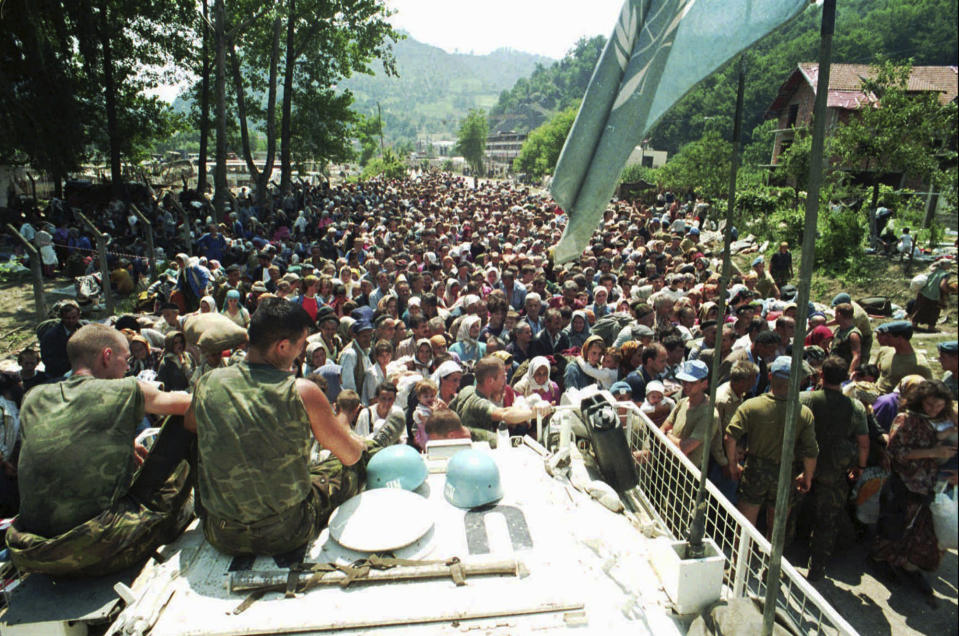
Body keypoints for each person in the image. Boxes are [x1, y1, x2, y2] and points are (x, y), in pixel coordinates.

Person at [189, 298, 398, 557]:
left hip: (220, 533)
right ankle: (379, 442)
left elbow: (190, 425)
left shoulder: (208, 382)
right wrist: (359, 445)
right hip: (286, 532)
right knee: (347, 465)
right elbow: (349, 455)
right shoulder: (301, 391)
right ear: (283, 346)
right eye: (300, 347)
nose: (301, 354)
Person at [6, 324, 194, 576]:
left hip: (33, 551)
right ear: (106, 356)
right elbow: (194, 403)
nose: (127, 367)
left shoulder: (34, 397)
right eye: (125, 359)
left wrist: (124, 443)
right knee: (186, 423)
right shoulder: (126, 389)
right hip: (93, 549)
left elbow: (63, 439)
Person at [871, 380, 957, 596]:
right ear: (920, 401)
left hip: (929, 485)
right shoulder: (906, 419)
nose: (933, 409)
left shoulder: (940, 421)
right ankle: (880, 562)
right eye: (929, 405)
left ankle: (906, 565)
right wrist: (933, 453)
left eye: (938, 406)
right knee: (893, 526)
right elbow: (895, 452)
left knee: (918, 529)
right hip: (904, 483)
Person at [724, 356, 819, 537]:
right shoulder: (803, 413)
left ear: (770, 376)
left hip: (755, 470)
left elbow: (730, 436)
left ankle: (739, 561)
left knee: (745, 525)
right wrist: (807, 476)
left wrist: (732, 464)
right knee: (777, 528)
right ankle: (769, 563)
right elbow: (811, 451)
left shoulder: (751, 406)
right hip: (785, 473)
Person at [799, 356, 870, 581]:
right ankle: (817, 567)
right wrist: (860, 467)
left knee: (788, 514)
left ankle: (776, 559)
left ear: (821, 375)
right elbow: (863, 442)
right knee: (827, 520)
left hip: (801, 466)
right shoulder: (855, 407)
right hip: (834, 469)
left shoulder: (805, 399)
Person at [449, 356, 550, 438]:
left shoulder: (467, 390)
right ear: (490, 381)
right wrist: (535, 413)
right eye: (502, 377)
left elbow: (448, 410)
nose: (505, 381)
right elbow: (504, 414)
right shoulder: (479, 403)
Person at [661, 360, 723, 471]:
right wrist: (667, 435)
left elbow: (684, 447)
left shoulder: (710, 415)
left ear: (704, 383)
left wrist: (668, 435)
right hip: (668, 467)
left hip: (688, 474)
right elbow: (661, 431)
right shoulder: (682, 402)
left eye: (692, 382)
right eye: (684, 381)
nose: (686, 386)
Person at [873, 321, 932, 393]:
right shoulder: (885, 351)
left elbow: (929, 389)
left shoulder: (919, 365)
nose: (885, 339)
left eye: (888, 336)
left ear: (900, 338)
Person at [39, 301, 82, 379]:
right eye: (67, 318)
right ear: (62, 318)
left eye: (74, 317)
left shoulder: (83, 330)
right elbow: (48, 360)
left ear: (78, 316)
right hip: (59, 374)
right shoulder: (51, 336)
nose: (71, 321)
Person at [831, 303, 862, 377]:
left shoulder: (853, 334)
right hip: (834, 368)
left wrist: (849, 373)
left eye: (835, 314)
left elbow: (857, 356)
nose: (834, 317)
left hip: (843, 371)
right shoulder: (839, 330)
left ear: (839, 314)